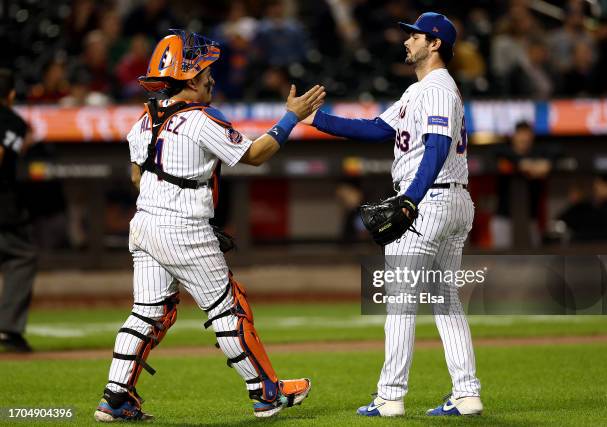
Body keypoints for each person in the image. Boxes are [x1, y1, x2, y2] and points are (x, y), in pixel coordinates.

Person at [93, 30, 325, 422]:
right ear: (189, 78)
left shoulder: (144, 117)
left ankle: (115, 397)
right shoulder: (201, 120)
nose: (210, 78)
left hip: (145, 224)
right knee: (228, 308)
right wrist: (292, 118)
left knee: (147, 313)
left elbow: (137, 176)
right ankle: (265, 393)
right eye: (204, 71)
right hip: (183, 229)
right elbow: (254, 155)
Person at [303, 12, 482, 417]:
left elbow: (436, 146)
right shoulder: (417, 92)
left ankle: (390, 396)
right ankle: (467, 393)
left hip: (428, 202)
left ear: (435, 43)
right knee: (445, 301)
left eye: (415, 35)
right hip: (448, 202)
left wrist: (410, 200)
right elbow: (374, 129)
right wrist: (315, 120)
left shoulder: (437, 88)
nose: (406, 41)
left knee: (401, 303)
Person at [0, 69, 37, 353]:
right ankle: (9, 330)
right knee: (21, 255)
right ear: (11, 95)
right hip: (4, 201)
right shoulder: (11, 119)